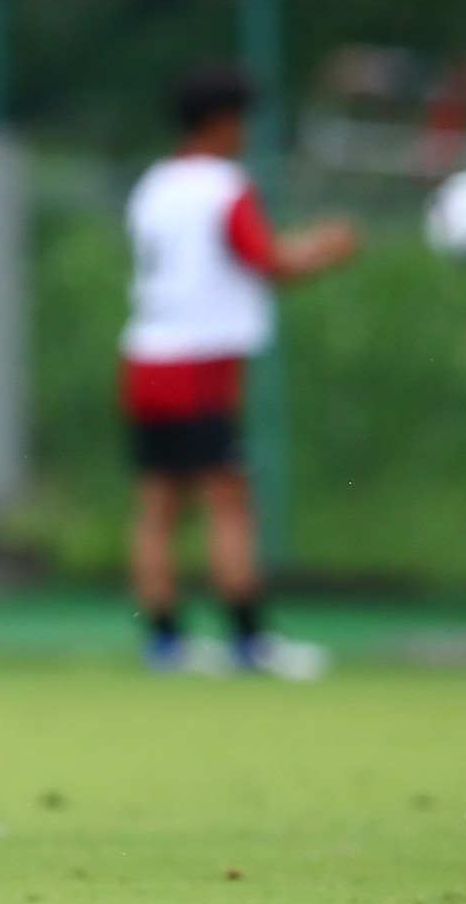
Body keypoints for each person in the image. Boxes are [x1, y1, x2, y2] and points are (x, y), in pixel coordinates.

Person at [121, 64, 354, 679]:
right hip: (200, 366)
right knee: (227, 502)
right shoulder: (224, 185)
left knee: (158, 505)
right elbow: (265, 259)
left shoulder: (154, 183)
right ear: (223, 122)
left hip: (145, 357)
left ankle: (164, 644)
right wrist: (324, 249)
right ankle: (249, 643)